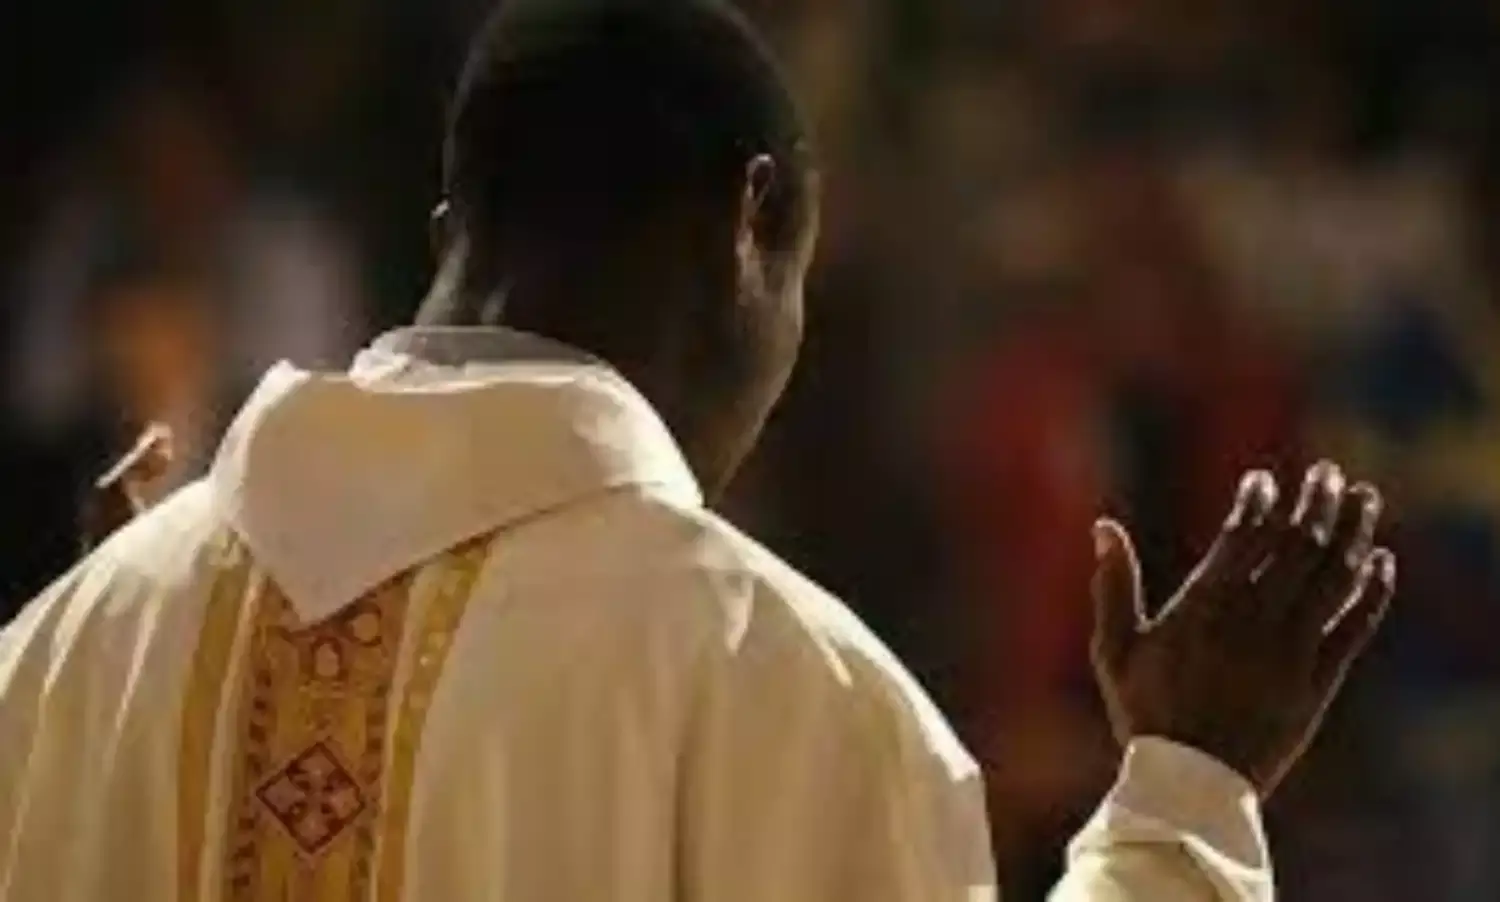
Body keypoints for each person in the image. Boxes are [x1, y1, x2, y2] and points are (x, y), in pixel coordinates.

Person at [0, 1, 1396, 899]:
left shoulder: (66, 648)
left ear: (450, 238)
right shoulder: (787, 686)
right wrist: (1187, 795)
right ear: (752, 225)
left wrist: (137, 640)